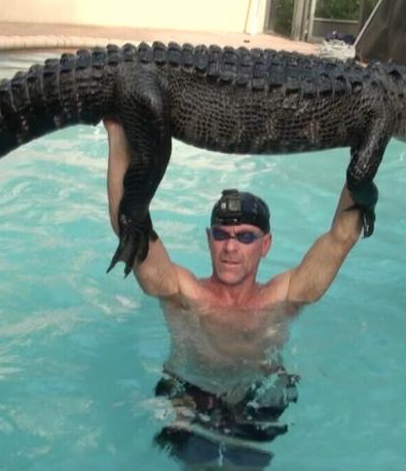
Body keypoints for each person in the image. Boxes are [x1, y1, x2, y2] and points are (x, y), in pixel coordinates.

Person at [104, 119, 363, 468]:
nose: (231, 247)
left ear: (265, 244)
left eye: (244, 237)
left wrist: (365, 150)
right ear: (209, 239)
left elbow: (341, 237)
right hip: (190, 394)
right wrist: (118, 134)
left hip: (260, 395)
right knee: (197, 462)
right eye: (222, 235)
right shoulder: (183, 291)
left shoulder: (283, 297)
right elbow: (128, 227)